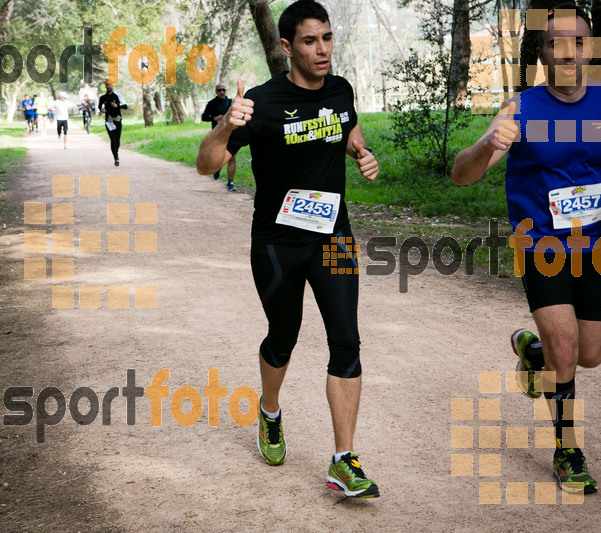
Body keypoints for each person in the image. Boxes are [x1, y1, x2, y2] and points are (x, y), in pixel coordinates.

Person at [451, 4, 601, 495]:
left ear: (589, 50)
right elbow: (462, 173)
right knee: (567, 352)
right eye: (556, 42)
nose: (568, 52)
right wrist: (489, 143)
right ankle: (567, 449)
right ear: (541, 53)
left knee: (591, 355)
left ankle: (530, 351)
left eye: (578, 42)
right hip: (541, 247)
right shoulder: (522, 110)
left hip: (596, 246)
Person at [196, 0, 380, 499]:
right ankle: (270, 410)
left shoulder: (340, 90)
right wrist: (228, 124)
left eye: (327, 38)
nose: (322, 50)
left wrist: (362, 153)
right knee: (284, 336)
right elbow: (206, 164)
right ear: (286, 47)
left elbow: (346, 128)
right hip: (277, 245)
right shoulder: (261, 102)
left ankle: (343, 459)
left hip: (334, 238)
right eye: (309, 41)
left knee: (347, 340)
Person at [201, 83, 237, 191]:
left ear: (226, 91)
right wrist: (215, 118)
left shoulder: (231, 103)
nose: (222, 92)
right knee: (218, 155)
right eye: (219, 90)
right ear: (216, 92)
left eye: (223, 90)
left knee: (232, 157)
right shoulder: (212, 103)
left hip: (231, 133)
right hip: (217, 134)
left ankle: (230, 182)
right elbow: (204, 117)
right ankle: (217, 167)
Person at [98, 80, 128, 166]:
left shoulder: (118, 96)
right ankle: (116, 158)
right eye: (107, 85)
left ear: (112, 86)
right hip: (109, 121)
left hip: (117, 120)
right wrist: (102, 110)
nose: (108, 86)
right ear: (105, 86)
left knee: (117, 140)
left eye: (110, 85)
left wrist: (117, 106)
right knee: (113, 140)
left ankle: (116, 151)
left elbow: (125, 106)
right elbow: (99, 107)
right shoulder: (103, 98)